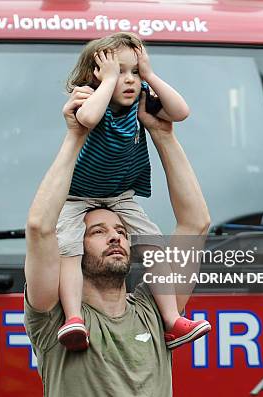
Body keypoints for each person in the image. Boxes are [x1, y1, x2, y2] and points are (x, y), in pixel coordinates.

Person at [23, 84, 211, 396]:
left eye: (122, 231)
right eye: (97, 231)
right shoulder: (53, 316)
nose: (115, 236)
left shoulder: (156, 310)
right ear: (73, 244)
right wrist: (76, 136)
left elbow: (195, 223)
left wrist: (163, 135)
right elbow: (39, 227)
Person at [55, 32, 210, 351]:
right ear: (94, 76)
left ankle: (172, 319)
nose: (129, 80)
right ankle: (73, 318)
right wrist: (107, 82)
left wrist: (149, 75)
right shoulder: (89, 99)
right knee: (69, 249)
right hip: (77, 197)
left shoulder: (140, 100)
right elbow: (87, 118)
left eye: (134, 71)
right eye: (118, 71)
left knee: (154, 243)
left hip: (119, 196)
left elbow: (180, 112)